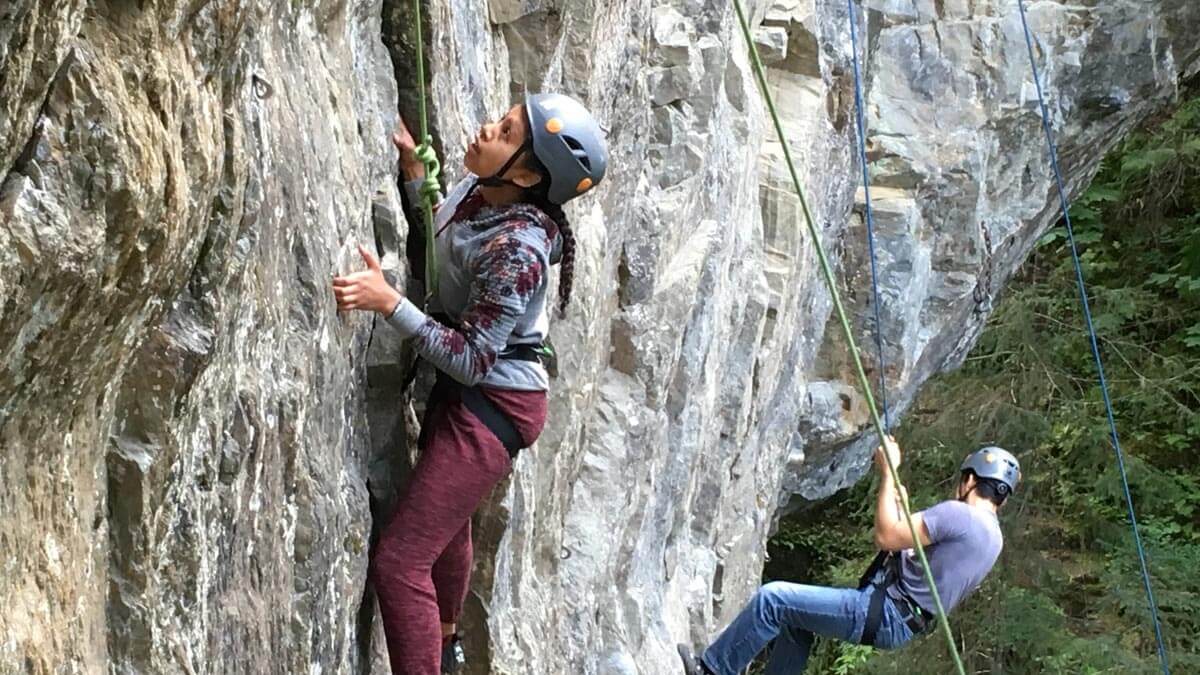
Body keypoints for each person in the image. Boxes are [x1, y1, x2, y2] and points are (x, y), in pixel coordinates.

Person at [332, 93, 607, 675]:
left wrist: (391, 305)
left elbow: (472, 360)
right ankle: (448, 643)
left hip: (494, 405)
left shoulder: (518, 250)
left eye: (506, 132)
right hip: (476, 393)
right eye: (502, 120)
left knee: (401, 563)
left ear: (528, 174)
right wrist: (414, 177)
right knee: (447, 523)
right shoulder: (486, 190)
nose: (487, 129)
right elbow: (445, 240)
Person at [679, 439, 1021, 675]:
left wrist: (888, 473)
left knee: (773, 600)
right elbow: (910, 550)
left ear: (971, 480)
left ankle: (713, 670)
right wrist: (897, 504)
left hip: (886, 611)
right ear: (1002, 498)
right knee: (794, 624)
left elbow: (887, 537)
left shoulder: (959, 515)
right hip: (902, 620)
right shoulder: (993, 539)